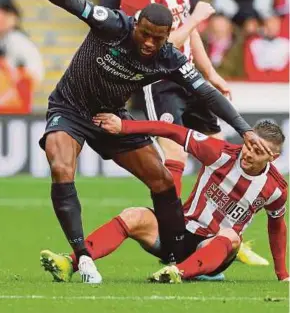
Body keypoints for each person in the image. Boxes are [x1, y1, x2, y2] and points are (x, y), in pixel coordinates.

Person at [0, 0, 270, 285]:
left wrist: (243, 129)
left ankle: (179, 255)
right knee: (60, 164)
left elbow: (207, 93)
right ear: (137, 23)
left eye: (158, 38)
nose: (149, 43)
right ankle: (82, 256)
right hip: (70, 107)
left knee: (160, 178)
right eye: (145, 34)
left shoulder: (168, 57)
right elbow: (68, 0)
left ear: (167, 36)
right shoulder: (112, 24)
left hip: (111, 115)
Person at [120, 0, 267, 265]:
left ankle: (219, 231)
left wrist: (212, 74)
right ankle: (173, 240)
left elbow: (191, 33)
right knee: (175, 158)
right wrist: (197, 17)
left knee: (222, 156)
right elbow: (162, 45)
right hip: (159, 80)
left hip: (190, 76)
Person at [40, 116, 289, 284]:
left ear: (273, 157)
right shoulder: (220, 153)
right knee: (134, 214)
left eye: (258, 151)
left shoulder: (276, 189)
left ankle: (178, 273)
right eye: (249, 145)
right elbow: (171, 131)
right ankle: (69, 263)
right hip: (179, 233)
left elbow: (276, 226)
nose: (248, 153)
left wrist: (282, 274)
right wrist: (124, 127)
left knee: (232, 237)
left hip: (215, 249)